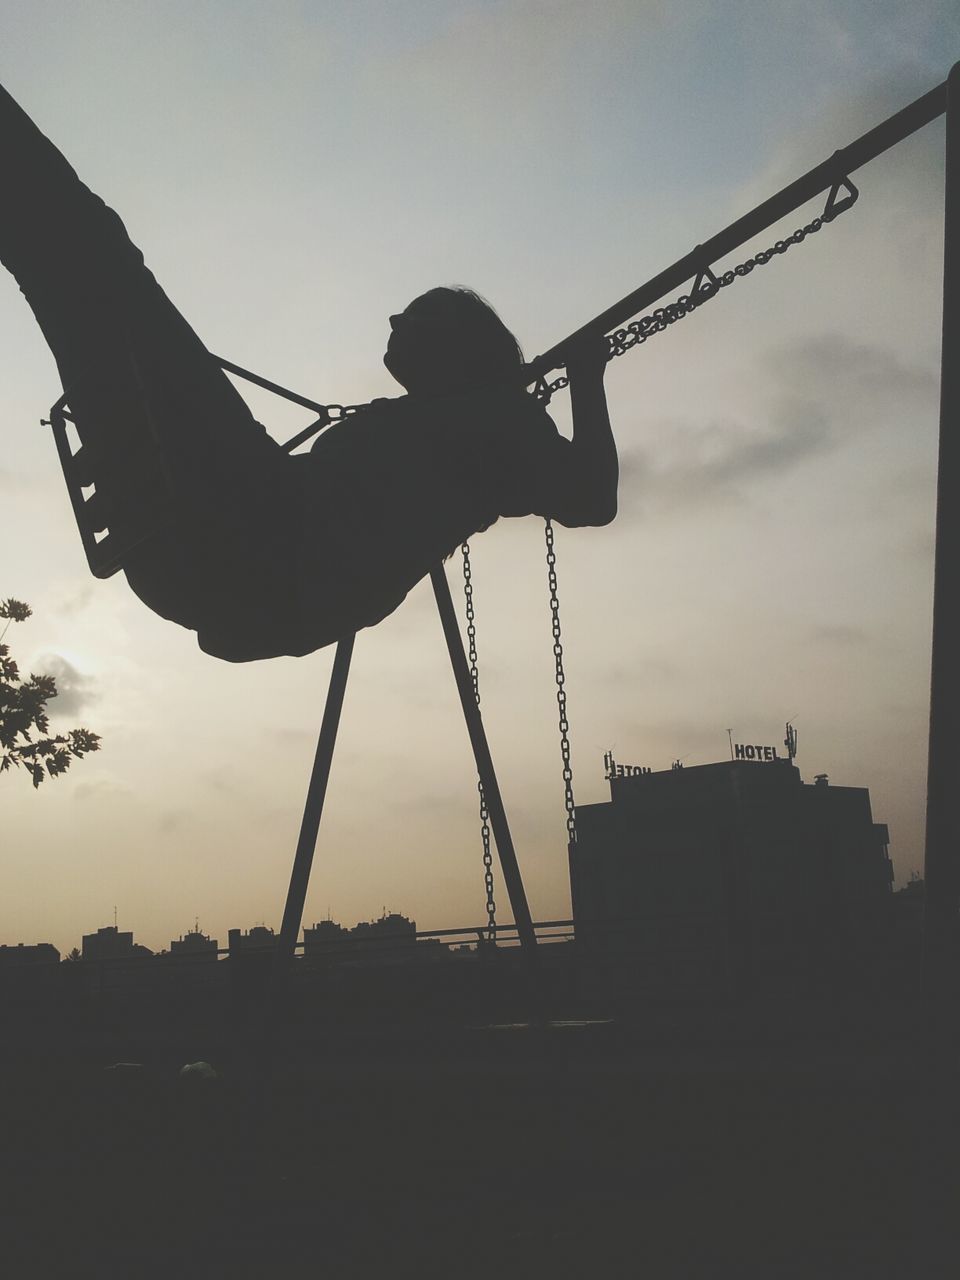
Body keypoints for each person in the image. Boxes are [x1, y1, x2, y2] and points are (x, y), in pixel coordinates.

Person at [1, 83, 617, 662]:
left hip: (254, 540)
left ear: (461, 346)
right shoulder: (458, 424)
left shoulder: (497, 421)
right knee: (77, 274)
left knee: (92, 256)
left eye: (421, 313)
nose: (397, 314)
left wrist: (587, 374)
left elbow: (591, 496)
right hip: (236, 541)